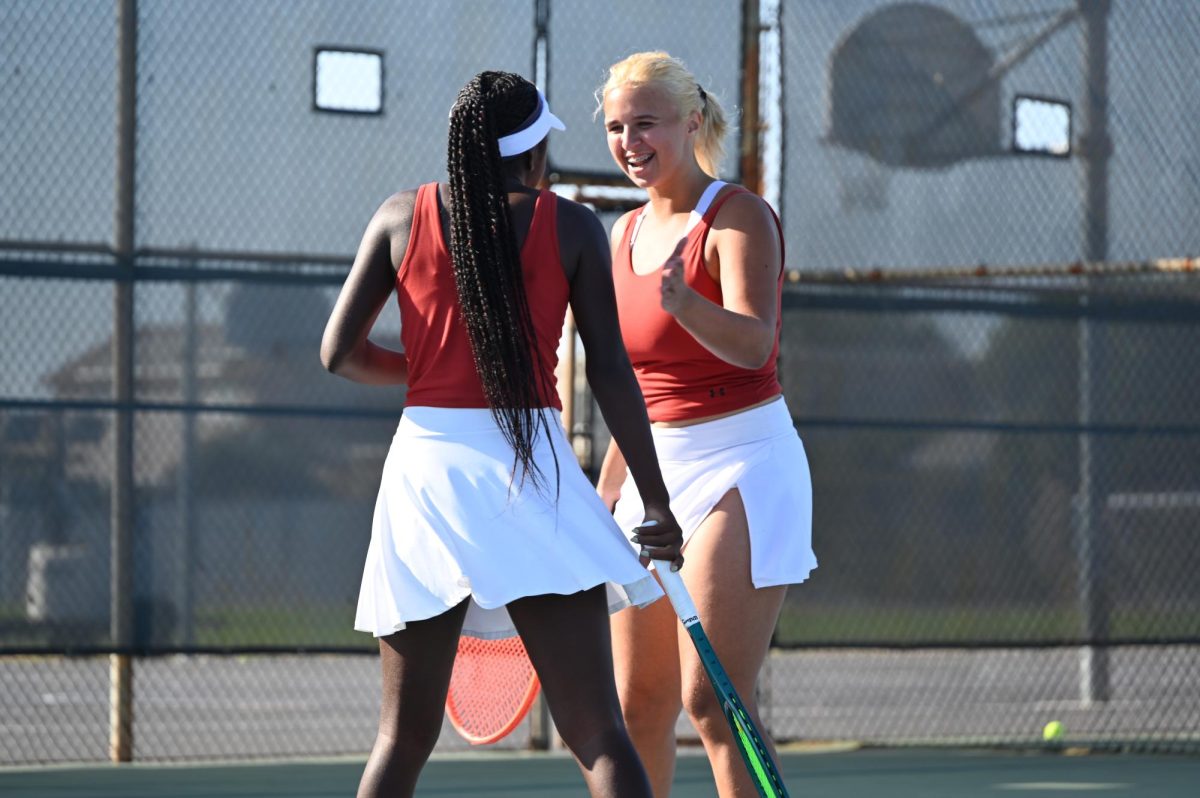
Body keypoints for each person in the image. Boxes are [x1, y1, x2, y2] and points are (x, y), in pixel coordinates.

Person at [320, 70, 684, 798]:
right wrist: (657, 504)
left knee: (399, 738)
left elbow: (339, 354)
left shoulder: (400, 216)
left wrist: (427, 373)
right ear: (532, 151)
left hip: (423, 471)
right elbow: (612, 373)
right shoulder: (573, 225)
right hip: (529, 467)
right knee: (599, 735)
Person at [595, 52, 817, 797]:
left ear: (691, 123)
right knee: (638, 706)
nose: (630, 142)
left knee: (713, 701)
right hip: (652, 470)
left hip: (743, 464)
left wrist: (687, 305)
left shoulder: (739, 215)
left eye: (646, 123)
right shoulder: (618, 235)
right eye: (617, 127)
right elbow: (633, 388)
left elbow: (757, 343)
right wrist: (607, 491)